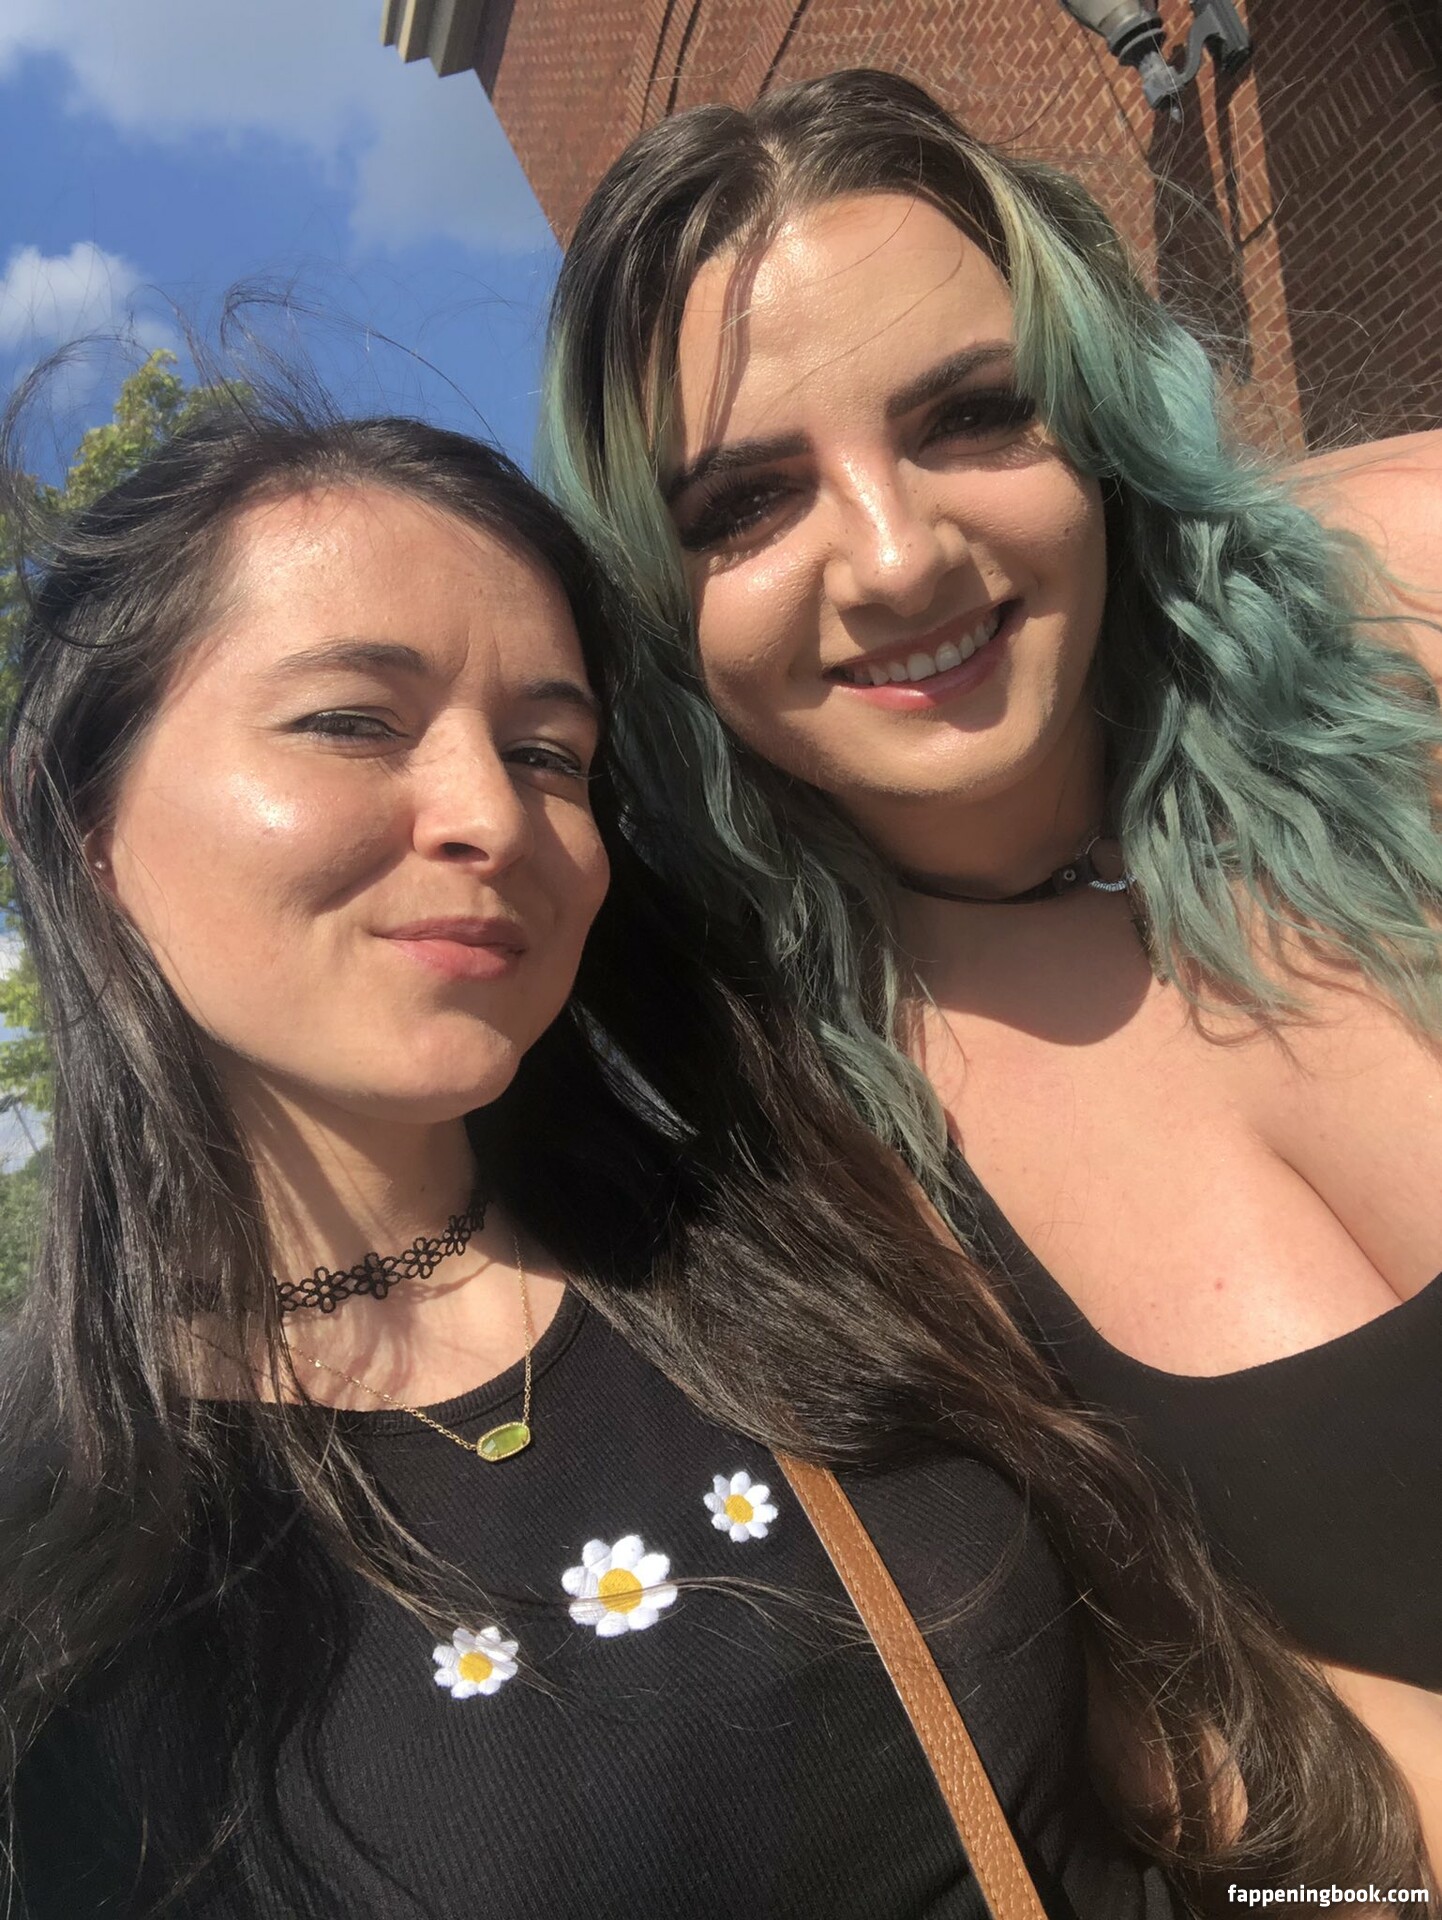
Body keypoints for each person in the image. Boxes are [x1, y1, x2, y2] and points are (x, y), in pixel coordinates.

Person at [8, 397, 1396, 1919]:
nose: (493, 816)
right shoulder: (51, 1552)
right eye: (354, 721)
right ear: (80, 820)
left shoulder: (778, 1230)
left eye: (549, 753)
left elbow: (1208, 1780)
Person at [538, 67, 1442, 1865]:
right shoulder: (791, 1167)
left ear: (1095, 415)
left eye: (969, 415)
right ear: (654, 599)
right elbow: (1239, 1801)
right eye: (743, 503)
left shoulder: (1412, 597)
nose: (895, 559)